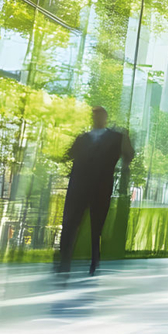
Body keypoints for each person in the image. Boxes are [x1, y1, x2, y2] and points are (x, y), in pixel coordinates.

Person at [58, 107, 136, 276]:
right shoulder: (83, 138)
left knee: (96, 225)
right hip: (79, 186)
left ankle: (94, 260)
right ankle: (66, 260)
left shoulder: (116, 138)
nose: (97, 117)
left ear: (105, 117)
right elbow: (68, 155)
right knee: (72, 223)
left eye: (100, 115)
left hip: (99, 187)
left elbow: (129, 154)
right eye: (95, 115)